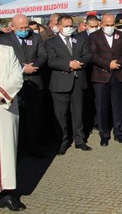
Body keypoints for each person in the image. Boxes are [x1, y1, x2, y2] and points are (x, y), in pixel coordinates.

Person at [0, 14, 48, 158]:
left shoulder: (36, 37)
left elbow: (43, 55)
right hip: (14, 87)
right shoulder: (4, 40)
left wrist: (33, 66)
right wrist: (22, 68)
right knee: (16, 119)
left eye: (26, 27)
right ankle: (17, 151)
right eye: (21, 28)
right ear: (12, 27)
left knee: (34, 118)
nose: (25, 30)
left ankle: (34, 147)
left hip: (34, 81)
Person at [45, 14, 92, 155]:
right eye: (66, 26)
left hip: (78, 81)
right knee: (61, 115)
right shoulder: (51, 42)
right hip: (60, 83)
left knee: (78, 112)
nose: (69, 29)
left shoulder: (79, 39)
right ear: (58, 27)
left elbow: (88, 55)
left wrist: (79, 63)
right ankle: (62, 141)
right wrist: (68, 65)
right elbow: (51, 61)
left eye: (71, 26)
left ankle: (79, 140)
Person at [88, 13, 122, 147]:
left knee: (118, 106)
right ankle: (104, 135)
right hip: (101, 76)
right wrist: (108, 64)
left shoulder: (121, 36)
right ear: (101, 24)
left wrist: (117, 63)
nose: (110, 27)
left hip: (118, 75)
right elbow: (93, 55)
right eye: (107, 25)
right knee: (102, 107)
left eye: (112, 25)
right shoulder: (94, 37)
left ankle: (119, 133)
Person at [0, 44, 25, 211]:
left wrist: (2, 94)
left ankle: (6, 195)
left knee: (5, 152)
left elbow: (17, 76)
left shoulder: (6, 51)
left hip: (3, 107)